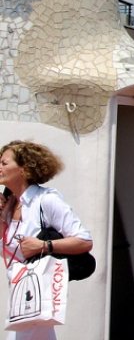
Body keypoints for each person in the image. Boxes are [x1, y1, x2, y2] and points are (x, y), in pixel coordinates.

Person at [0, 141, 93, 340]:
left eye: (4, 163)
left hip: (38, 296)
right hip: (21, 301)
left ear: (24, 169)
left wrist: (43, 245)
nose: (0, 167)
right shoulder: (10, 205)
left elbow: (84, 240)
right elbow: (7, 252)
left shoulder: (45, 200)